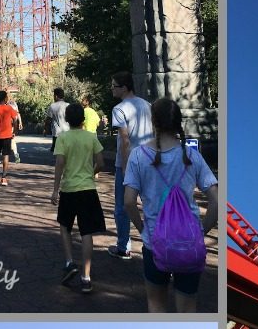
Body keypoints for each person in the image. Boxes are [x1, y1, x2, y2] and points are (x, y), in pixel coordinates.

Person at [123, 97, 218, 312]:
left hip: (154, 243)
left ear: (153, 122)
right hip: (189, 244)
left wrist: (143, 229)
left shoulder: (138, 156)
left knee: (156, 303)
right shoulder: (192, 155)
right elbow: (216, 201)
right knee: (187, 308)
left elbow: (129, 201)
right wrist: (202, 231)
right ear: (178, 122)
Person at [51, 101, 105, 294]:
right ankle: (86, 277)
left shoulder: (63, 138)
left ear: (67, 119)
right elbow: (101, 162)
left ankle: (69, 262)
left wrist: (55, 190)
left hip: (69, 189)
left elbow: (59, 164)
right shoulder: (91, 138)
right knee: (86, 232)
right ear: (83, 119)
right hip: (88, 189)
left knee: (65, 226)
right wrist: (91, 172)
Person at [108, 72, 152, 260]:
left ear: (124, 88)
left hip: (129, 162)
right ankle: (156, 244)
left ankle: (123, 246)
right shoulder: (147, 105)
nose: (112, 89)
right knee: (151, 203)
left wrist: (125, 167)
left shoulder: (119, 109)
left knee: (123, 205)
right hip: (150, 160)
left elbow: (125, 140)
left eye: (114, 86)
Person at [0, 89, 20, 185]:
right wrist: (14, 131)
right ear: (6, 98)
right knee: (6, 155)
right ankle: (4, 178)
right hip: (7, 135)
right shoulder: (9, 108)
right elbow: (15, 120)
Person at [46, 86, 69, 153]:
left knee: (57, 151)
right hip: (67, 132)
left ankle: (58, 162)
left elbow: (48, 119)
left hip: (57, 132)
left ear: (56, 96)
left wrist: (45, 129)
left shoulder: (52, 106)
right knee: (66, 151)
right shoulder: (68, 105)